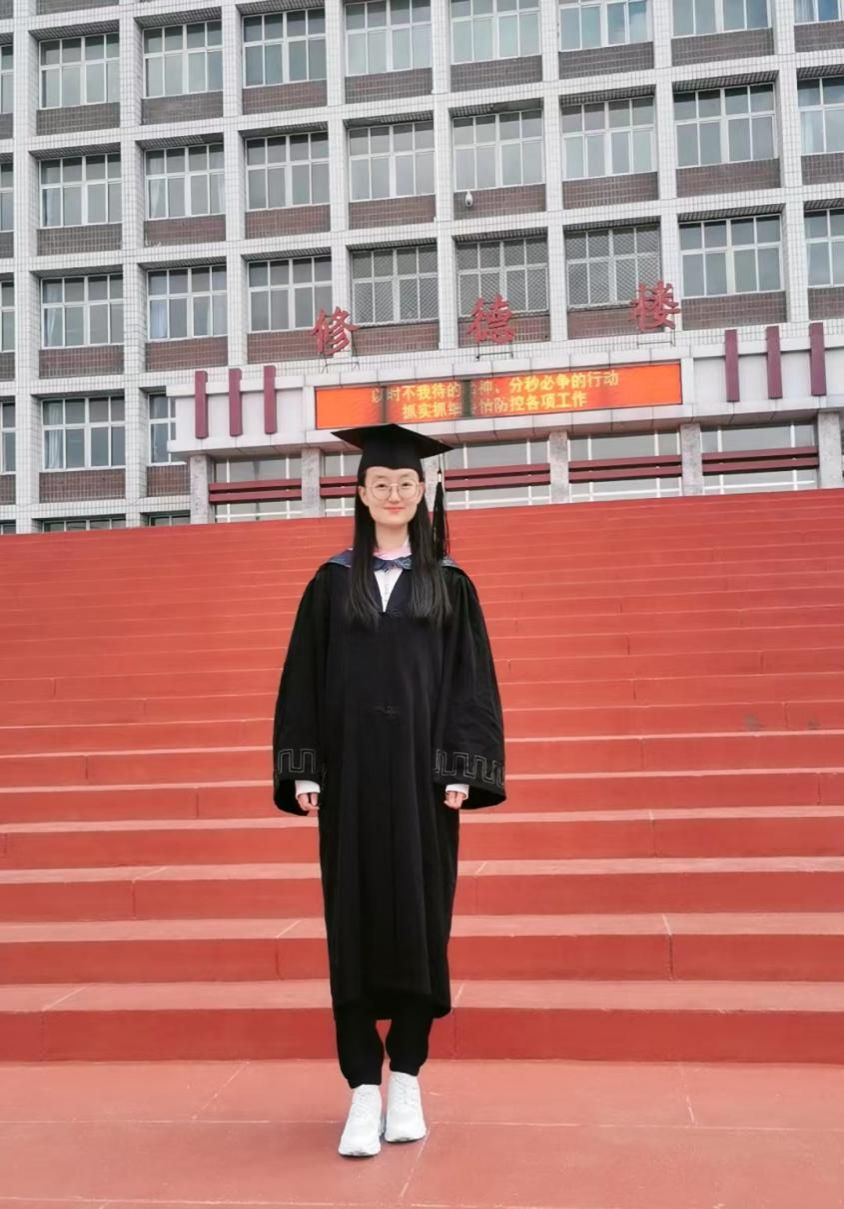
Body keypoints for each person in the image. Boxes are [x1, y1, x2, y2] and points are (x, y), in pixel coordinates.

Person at [271, 422, 506, 1158]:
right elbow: (303, 677)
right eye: (381, 484)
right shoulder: (331, 583)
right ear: (362, 492)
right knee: (353, 926)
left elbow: (471, 684)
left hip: (422, 785)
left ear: (423, 491)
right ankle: (361, 1090)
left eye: (406, 483)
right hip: (349, 785)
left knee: (420, 921)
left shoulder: (449, 585)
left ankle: (405, 1076)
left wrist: (463, 768)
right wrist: (304, 766)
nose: (394, 493)